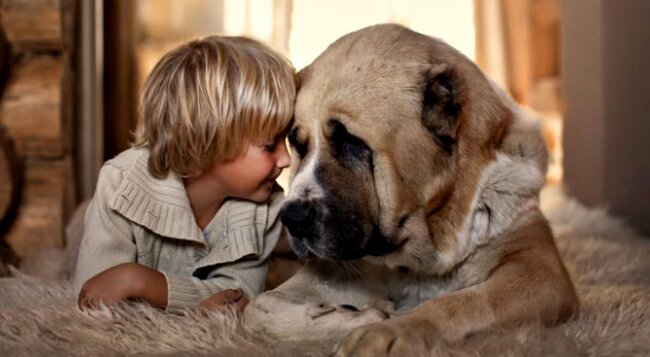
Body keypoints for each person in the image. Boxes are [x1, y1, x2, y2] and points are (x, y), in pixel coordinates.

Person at [73, 35, 295, 313]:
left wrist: (139, 281)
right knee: (77, 234)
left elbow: (238, 300)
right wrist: (199, 302)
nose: (286, 159)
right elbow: (93, 295)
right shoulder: (120, 181)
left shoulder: (267, 207)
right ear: (210, 138)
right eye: (271, 145)